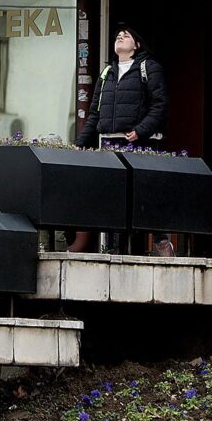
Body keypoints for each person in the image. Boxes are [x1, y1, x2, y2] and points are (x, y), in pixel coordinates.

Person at [75, 23, 172, 256]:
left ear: (136, 45)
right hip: (109, 143)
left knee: (145, 193)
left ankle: (161, 242)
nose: (120, 37)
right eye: (118, 36)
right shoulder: (107, 72)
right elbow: (95, 112)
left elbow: (160, 104)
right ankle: (113, 248)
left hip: (139, 142)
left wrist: (140, 130)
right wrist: (80, 143)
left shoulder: (149, 68)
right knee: (112, 195)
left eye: (126, 35)